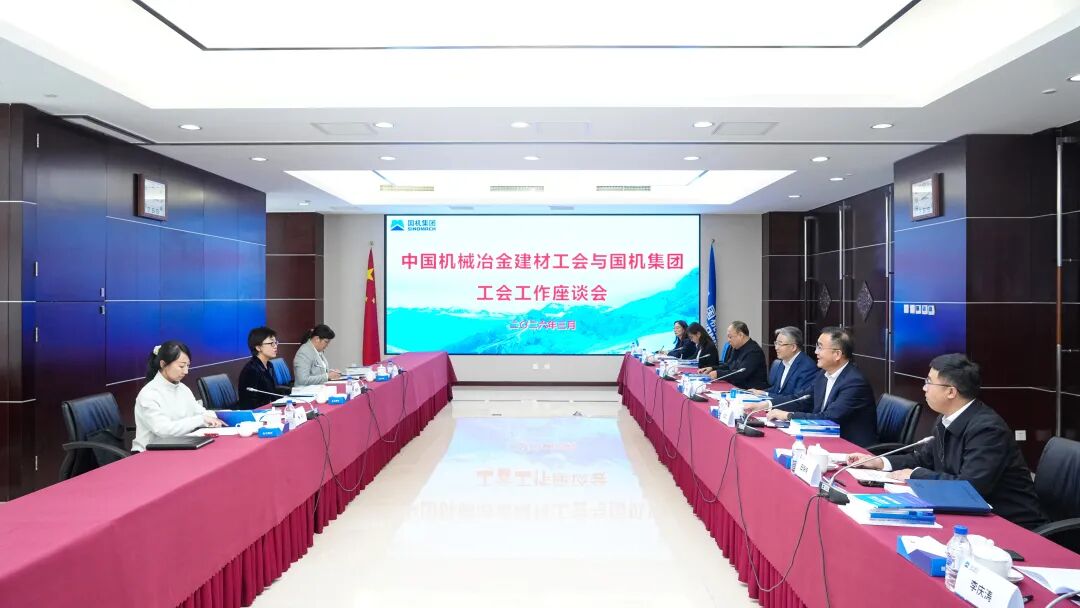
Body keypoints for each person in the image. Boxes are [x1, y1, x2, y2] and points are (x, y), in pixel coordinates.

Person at [845, 354, 1048, 529]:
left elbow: (970, 487)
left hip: (1008, 522)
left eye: (929, 382)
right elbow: (924, 459)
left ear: (951, 392)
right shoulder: (946, 418)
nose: (924, 387)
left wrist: (915, 475)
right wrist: (880, 462)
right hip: (966, 512)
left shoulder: (987, 429)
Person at [767, 327, 878, 447]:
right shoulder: (823, 375)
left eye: (820, 347)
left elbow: (829, 418)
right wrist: (767, 404)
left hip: (851, 446)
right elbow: (802, 399)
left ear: (837, 354)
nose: (816, 352)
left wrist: (788, 416)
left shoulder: (854, 383)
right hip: (825, 437)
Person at [132, 341, 223, 452]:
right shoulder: (149, 394)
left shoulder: (183, 389)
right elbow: (164, 430)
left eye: (188, 366)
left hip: (181, 445)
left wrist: (215, 417)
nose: (186, 371)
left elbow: (199, 412)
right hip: (151, 452)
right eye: (181, 366)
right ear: (163, 364)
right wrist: (201, 420)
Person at [747, 326, 818, 403]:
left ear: (793, 347)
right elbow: (777, 389)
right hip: (778, 404)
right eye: (776, 343)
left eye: (780, 344)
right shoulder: (784, 361)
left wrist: (766, 395)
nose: (776, 348)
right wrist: (761, 392)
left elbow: (797, 399)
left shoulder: (807, 367)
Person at [703, 321, 769, 390]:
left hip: (752, 390)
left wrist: (718, 374)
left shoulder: (754, 351)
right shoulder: (736, 347)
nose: (728, 340)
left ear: (741, 335)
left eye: (730, 337)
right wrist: (712, 368)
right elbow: (729, 366)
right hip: (738, 387)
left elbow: (741, 374)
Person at [238, 326, 280, 409]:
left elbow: (271, 395)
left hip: (270, 410)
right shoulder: (251, 371)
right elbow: (249, 404)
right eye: (271, 343)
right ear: (258, 347)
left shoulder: (269, 365)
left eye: (276, 343)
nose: (275, 346)